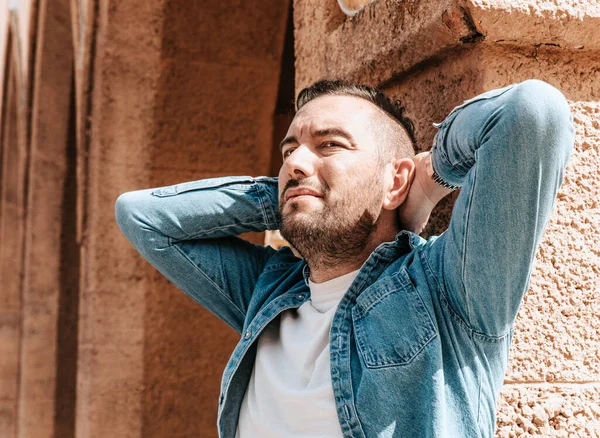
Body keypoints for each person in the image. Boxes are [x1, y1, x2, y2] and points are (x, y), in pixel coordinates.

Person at [115, 79, 574, 437]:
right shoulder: (266, 292)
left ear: (395, 182)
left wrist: (430, 174)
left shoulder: (446, 290)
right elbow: (143, 216)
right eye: (289, 150)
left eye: (330, 144)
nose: (294, 162)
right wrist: (291, 194)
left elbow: (532, 113)